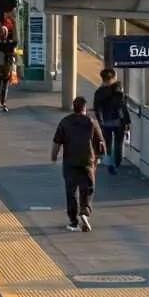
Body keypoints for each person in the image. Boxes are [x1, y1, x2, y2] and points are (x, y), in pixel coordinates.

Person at [51, 96, 107, 232]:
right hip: (88, 161)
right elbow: (100, 142)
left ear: (73, 107)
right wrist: (99, 157)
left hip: (70, 162)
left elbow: (57, 142)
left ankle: (73, 221)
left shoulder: (65, 122)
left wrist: (54, 156)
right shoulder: (91, 122)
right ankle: (85, 210)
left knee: (70, 191)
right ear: (84, 108)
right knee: (88, 188)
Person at [92, 67, 132, 175]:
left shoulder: (99, 92)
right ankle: (117, 164)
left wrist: (100, 122)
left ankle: (110, 164)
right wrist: (127, 122)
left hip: (105, 122)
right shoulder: (118, 90)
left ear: (102, 78)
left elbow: (97, 109)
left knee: (107, 144)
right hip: (118, 121)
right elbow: (122, 107)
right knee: (118, 144)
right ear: (113, 77)